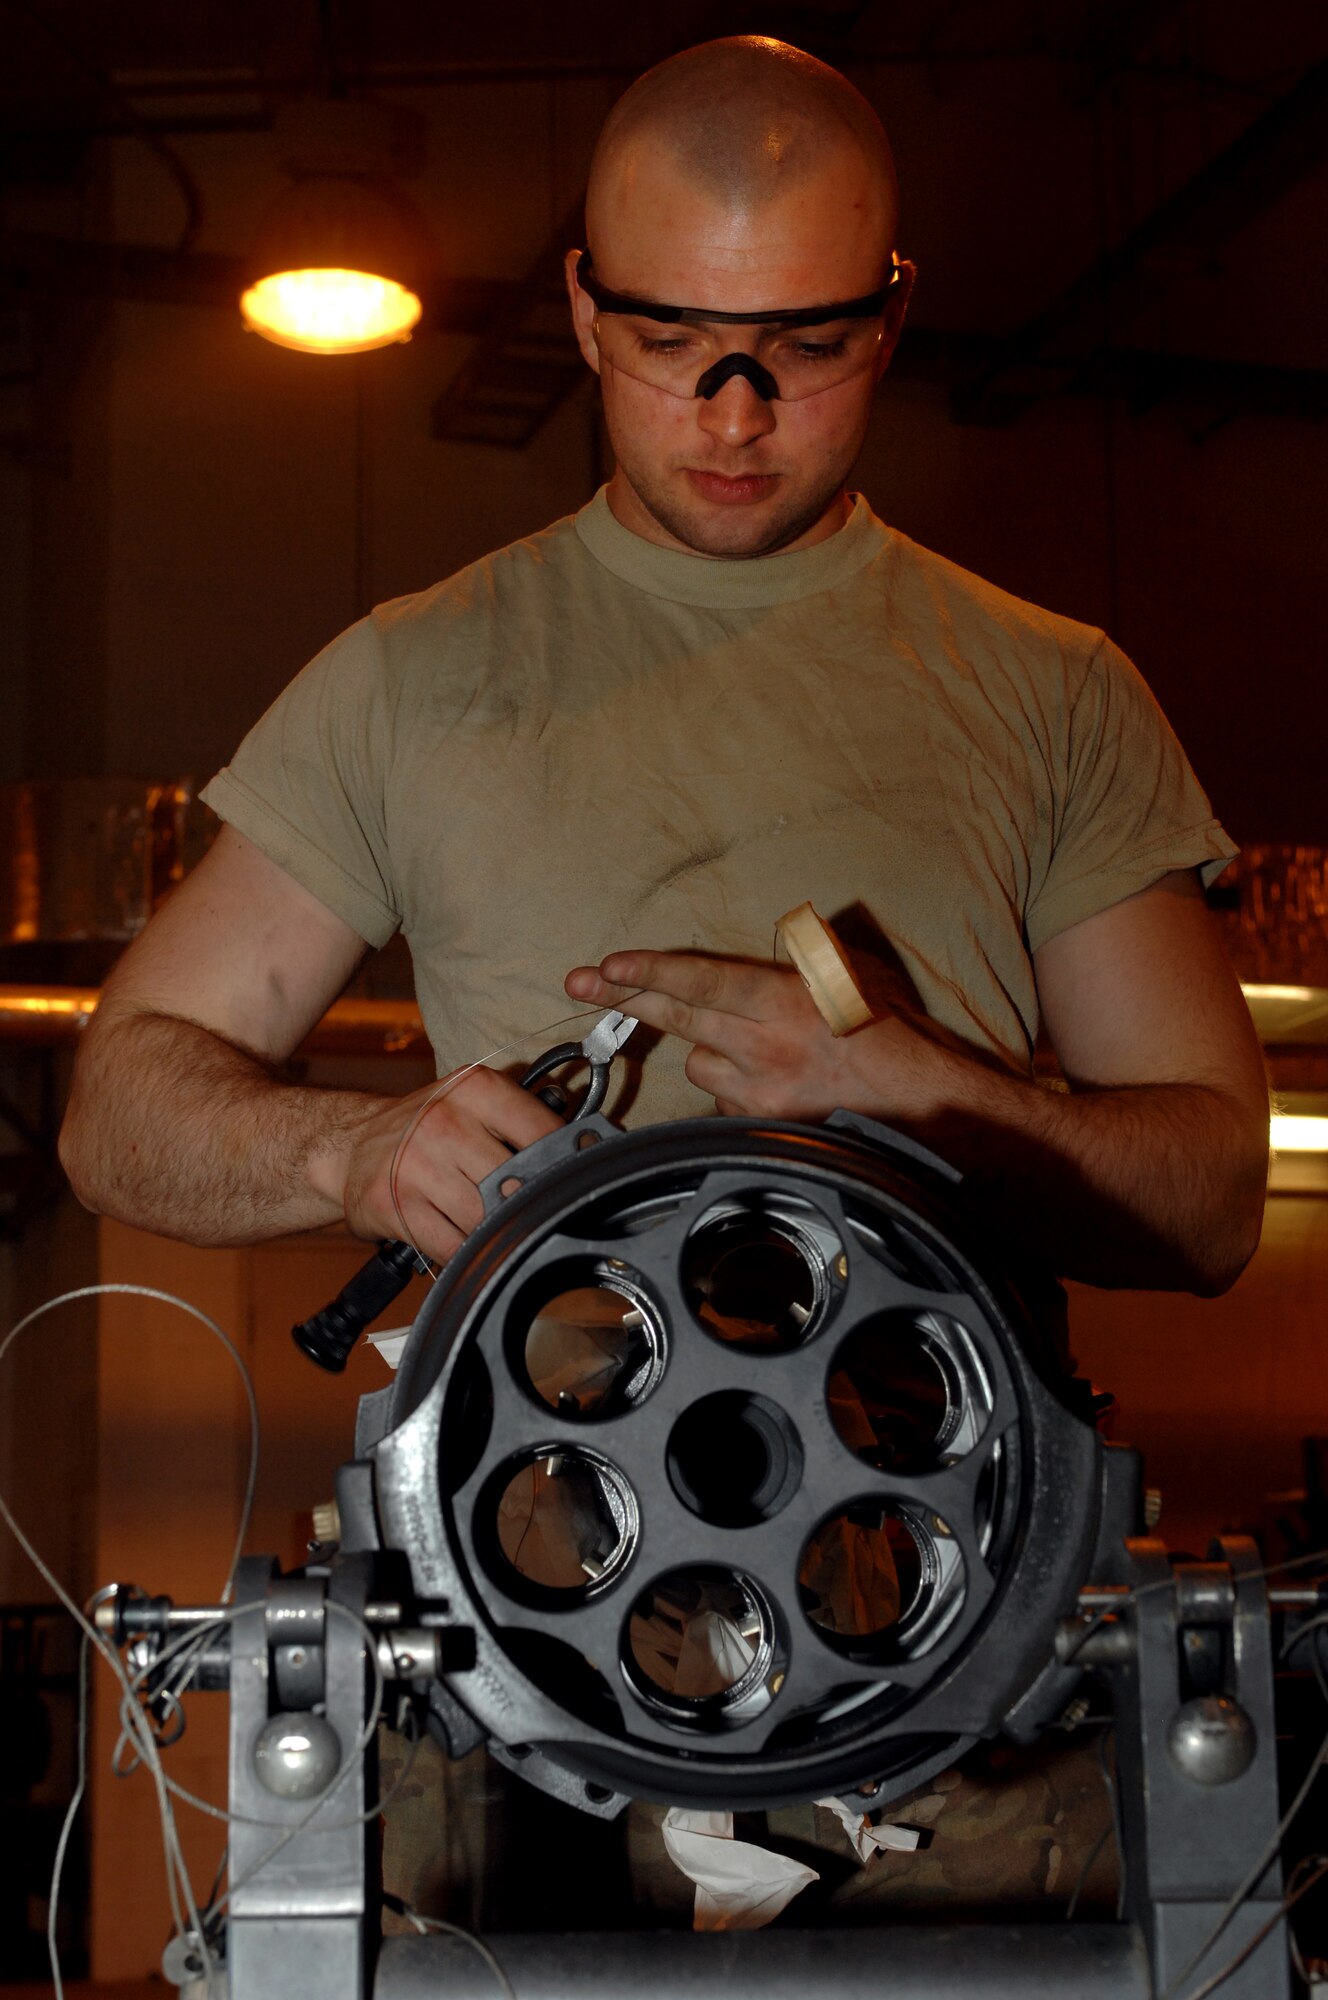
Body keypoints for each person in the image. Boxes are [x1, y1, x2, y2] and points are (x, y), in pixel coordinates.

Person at [58, 33, 1267, 1922]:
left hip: (942, 1627)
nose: (732, 409)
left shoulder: (1050, 691)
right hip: (527, 1609)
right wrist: (351, 1161)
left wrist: (913, 1089)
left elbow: (1205, 1199)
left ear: (893, 311)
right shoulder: (412, 676)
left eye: (805, 346)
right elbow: (120, 1097)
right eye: (666, 341)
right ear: (577, 303)